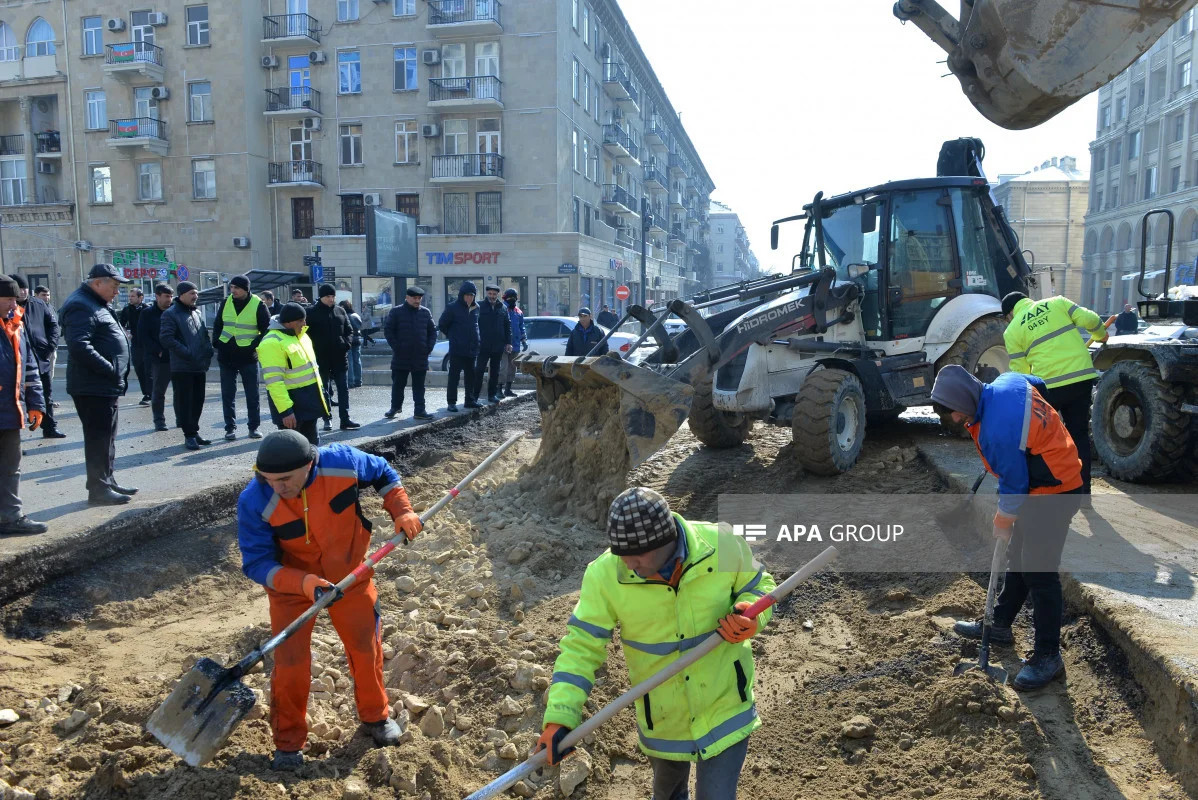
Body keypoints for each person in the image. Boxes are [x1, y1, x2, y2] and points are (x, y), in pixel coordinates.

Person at [538, 487, 774, 797]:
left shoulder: (721, 543)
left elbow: (759, 586)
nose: (630, 564)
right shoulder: (605, 575)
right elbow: (581, 647)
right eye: (622, 555)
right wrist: (560, 717)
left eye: (638, 554)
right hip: (663, 719)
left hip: (725, 705)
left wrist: (751, 614)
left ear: (667, 540)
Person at [236, 430, 422, 769]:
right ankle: (288, 744)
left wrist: (402, 510)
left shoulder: (341, 462)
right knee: (290, 666)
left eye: (285, 479)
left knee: (366, 649)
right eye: (269, 479)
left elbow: (382, 471)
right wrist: (304, 583)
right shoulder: (255, 500)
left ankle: (375, 717)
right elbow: (256, 563)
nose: (278, 487)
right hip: (292, 587)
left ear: (309, 464)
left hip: (349, 575)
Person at [932, 365, 1084, 691]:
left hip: (1056, 487)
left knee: (1039, 571)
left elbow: (1014, 482)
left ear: (965, 402)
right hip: (1042, 482)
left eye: (955, 415)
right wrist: (1044, 428)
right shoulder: (1008, 380)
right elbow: (1039, 382)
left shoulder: (996, 431)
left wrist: (1002, 519)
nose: (955, 422)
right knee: (1018, 556)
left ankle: (1048, 656)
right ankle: (999, 623)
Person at [1001, 292, 1105, 501]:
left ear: (1009, 314)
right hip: (1081, 377)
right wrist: (1100, 333)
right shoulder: (1057, 302)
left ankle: (1049, 489)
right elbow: (1091, 320)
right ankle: (1084, 494)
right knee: (1079, 435)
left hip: (1049, 388)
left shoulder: (1012, 330)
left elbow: (1021, 371)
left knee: (1042, 438)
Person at [58, 264, 138, 506]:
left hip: (103, 385)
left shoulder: (97, 303)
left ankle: (107, 479)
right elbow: (79, 346)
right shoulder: (80, 305)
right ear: (97, 283)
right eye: (114, 286)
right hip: (92, 385)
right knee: (98, 437)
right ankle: (98, 489)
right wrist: (110, 369)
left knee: (107, 436)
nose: (117, 292)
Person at [0, 275, 48, 535]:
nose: (13, 303)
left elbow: (30, 369)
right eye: (8, 298)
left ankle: (10, 517)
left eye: (14, 298)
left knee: (10, 467)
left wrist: (35, 404)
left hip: (10, 409)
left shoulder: (15, 325)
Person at [257, 303, 328, 445]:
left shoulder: (302, 336)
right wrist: (285, 411)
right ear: (288, 322)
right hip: (293, 408)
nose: (304, 324)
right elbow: (274, 382)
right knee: (295, 452)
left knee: (312, 447)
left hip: (309, 403)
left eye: (304, 319)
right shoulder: (271, 343)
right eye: (300, 321)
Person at [213, 275, 270, 441]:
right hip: (226, 356)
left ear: (246, 289)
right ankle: (229, 428)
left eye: (237, 288)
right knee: (228, 394)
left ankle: (254, 427)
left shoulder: (258, 304)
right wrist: (216, 342)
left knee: (252, 394)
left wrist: (254, 347)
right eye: (231, 287)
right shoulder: (226, 302)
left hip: (248, 357)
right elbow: (218, 325)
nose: (233, 291)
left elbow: (266, 330)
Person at [160, 281, 215, 451]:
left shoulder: (197, 313)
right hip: (182, 366)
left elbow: (203, 334)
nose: (195, 296)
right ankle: (188, 435)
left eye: (196, 293)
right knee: (185, 402)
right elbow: (167, 338)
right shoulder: (171, 314)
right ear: (182, 295)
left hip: (199, 365)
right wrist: (187, 352)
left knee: (198, 401)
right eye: (192, 293)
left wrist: (208, 350)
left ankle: (194, 431)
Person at [13, 275, 64, 439]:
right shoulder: (9, 306)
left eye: (24, 288)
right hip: (18, 362)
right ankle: (14, 435)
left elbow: (53, 326)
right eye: (18, 288)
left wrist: (50, 346)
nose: (22, 291)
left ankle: (50, 428)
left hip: (41, 358)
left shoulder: (39, 304)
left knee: (46, 395)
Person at [306, 285, 360, 432]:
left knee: (343, 389)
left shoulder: (340, 310)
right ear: (321, 297)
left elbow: (349, 330)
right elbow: (304, 335)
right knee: (323, 390)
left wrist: (346, 344)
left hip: (340, 357)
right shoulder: (311, 313)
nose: (330, 299)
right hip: (320, 359)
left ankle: (345, 419)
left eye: (332, 296)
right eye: (327, 297)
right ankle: (327, 418)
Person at [383, 286, 436, 421]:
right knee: (398, 384)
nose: (417, 301)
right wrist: (397, 347)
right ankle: (395, 407)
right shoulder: (396, 312)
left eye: (419, 298)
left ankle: (419, 410)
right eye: (414, 298)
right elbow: (388, 331)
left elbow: (432, 331)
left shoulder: (425, 313)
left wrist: (428, 348)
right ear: (407, 298)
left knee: (419, 386)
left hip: (420, 356)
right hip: (401, 355)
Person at [438, 281, 481, 413]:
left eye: (472, 295)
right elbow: (442, 324)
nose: (469, 298)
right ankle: (451, 402)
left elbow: (476, 326)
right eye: (467, 295)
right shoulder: (452, 308)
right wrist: (454, 336)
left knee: (470, 376)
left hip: (471, 349)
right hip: (457, 349)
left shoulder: (476, 308)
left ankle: (469, 400)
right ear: (462, 295)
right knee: (454, 377)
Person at [138, 284, 175, 432]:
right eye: (166, 296)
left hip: (176, 356)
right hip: (158, 359)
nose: (169, 300)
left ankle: (181, 419)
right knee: (159, 391)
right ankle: (159, 421)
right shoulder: (147, 313)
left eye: (171, 296)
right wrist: (158, 351)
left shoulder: (174, 311)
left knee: (180, 390)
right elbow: (143, 336)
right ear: (157, 296)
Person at [474, 284, 512, 405]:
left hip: (498, 346)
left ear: (498, 295)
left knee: (495, 372)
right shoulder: (479, 306)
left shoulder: (503, 308)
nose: (492, 296)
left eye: (494, 294)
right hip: (483, 345)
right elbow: (474, 325)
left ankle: (491, 395)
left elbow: (507, 326)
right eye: (490, 293)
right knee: (479, 371)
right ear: (487, 294)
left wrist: (508, 343)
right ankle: (474, 397)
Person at [119, 288, 152, 405]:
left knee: (149, 369)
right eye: (129, 296)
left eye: (132, 296)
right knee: (139, 368)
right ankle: (146, 393)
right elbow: (120, 324)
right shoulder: (127, 310)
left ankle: (151, 393)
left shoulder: (147, 309)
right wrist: (127, 333)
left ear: (140, 297)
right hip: (136, 344)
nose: (130, 298)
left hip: (148, 345)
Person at [501, 288, 527, 398]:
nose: (512, 300)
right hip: (503, 345)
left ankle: (508, 389)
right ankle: (498, 389)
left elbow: (522, 327)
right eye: (510, 297)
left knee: (512, 367)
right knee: (503, 367)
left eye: (514, 297)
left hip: (515, 344)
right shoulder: (501, 309)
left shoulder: (518, 311)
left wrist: (524, 340)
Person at [339, 300, 364, 389]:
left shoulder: (345, 316)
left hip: (348, 340)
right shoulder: (356, 315)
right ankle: (358, 380)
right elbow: (360, 326)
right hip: (357, 339)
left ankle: (350, 381)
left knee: (349, 361)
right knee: (357, 360)